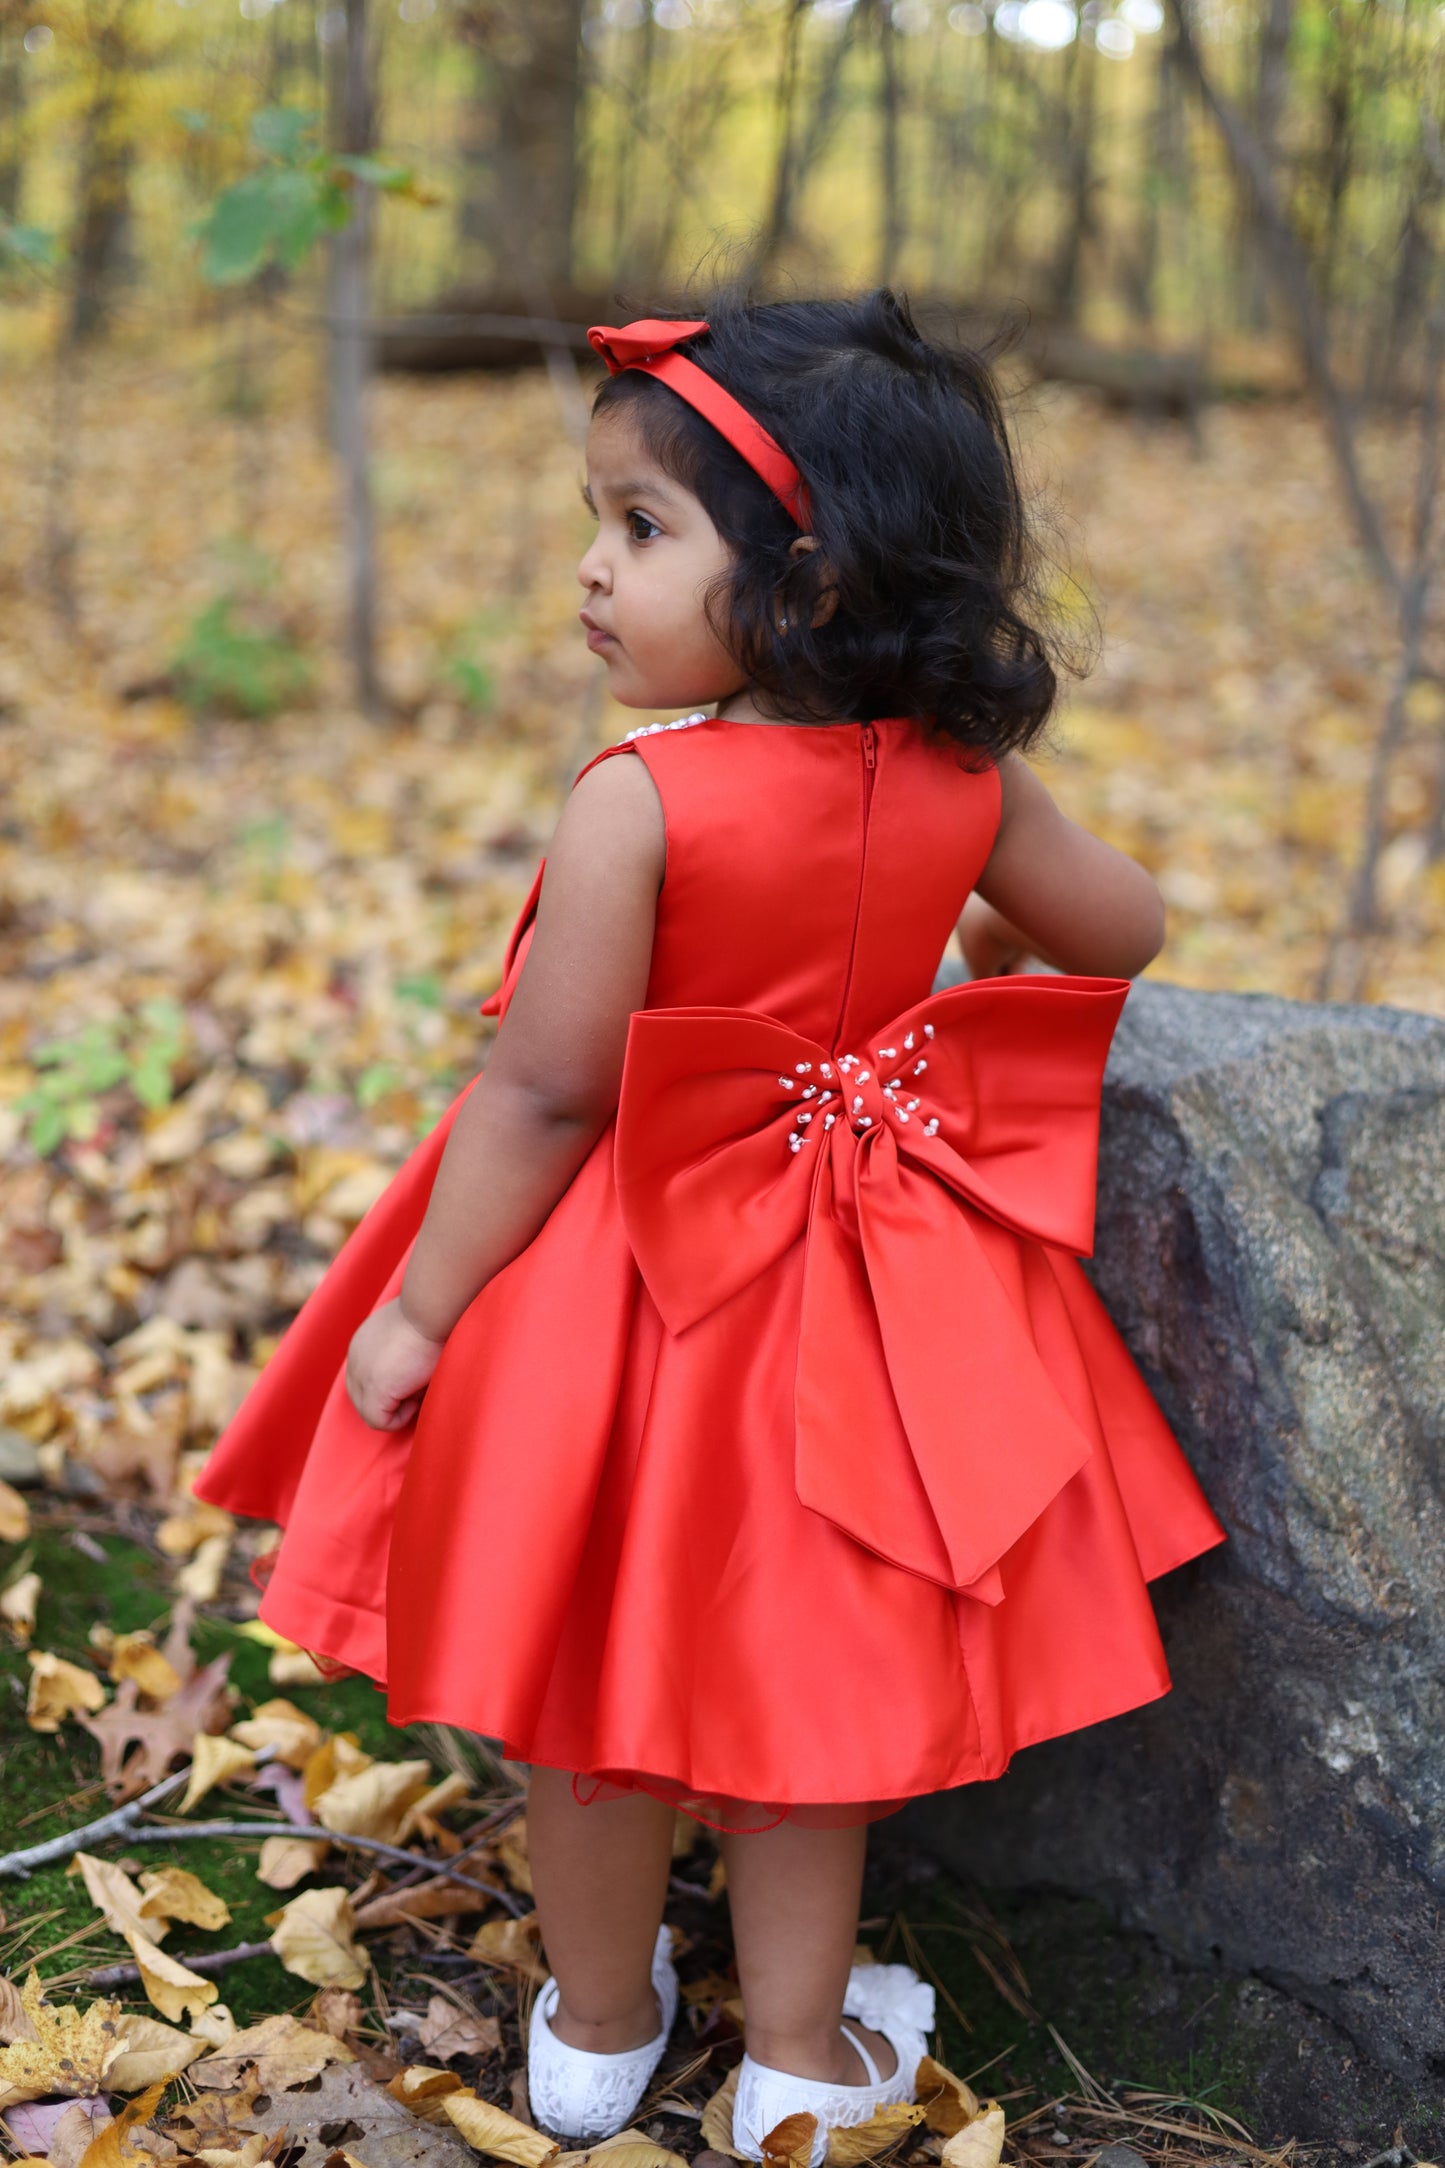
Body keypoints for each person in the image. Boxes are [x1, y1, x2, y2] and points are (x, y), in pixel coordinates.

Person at [195, 292, 1225, 2165]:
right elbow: (1123, 930)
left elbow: (545, 1096)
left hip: (625, 1284)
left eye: (641, 532)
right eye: (596, 522)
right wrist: (979, 946)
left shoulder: (640, 799)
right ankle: (799, 2059)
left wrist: (421, 1313)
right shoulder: (959, 776)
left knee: (583, 1658)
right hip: (868, 1283)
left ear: (810, 582)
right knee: (797, 1674)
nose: (590, 574)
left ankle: (591, 2039)